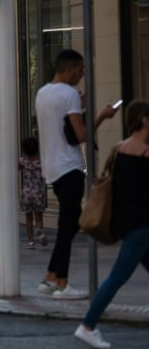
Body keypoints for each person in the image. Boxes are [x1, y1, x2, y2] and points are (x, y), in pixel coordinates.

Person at [35, 48, 117, 300]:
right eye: (80, 71)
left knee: (68, 226)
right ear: (69, 69)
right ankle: (62, 282)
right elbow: (80, 135)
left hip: (52, 168)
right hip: (69, 167)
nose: (81, 76)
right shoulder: (69, 94)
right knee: (68, 226)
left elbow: (62, 126)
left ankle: (50, 277)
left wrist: (77, 108)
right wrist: (102, 116)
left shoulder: (43, 93)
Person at [74, 99, 149, 349]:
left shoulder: (118, 149)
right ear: (145, 121)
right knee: (117, 277)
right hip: (142, 228)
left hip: (128, 224)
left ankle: (88, 325)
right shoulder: (146, 152)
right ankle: (88, 325)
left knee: (118, 276)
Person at [19, 135, 48, 249]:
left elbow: (15, 167)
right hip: (38, 191)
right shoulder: (41, 162)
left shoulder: (23, 161)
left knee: (28, 218)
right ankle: (39, 231)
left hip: (26, 192)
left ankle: (30, 242)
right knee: (39, 217)